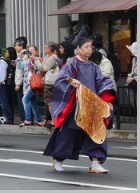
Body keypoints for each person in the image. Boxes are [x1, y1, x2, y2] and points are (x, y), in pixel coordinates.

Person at [43, 37, 117, 173]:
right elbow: (61, 80)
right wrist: (70, 83)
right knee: (69, 133)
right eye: (87, 46)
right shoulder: (72, 64)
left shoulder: (93, 66)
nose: (90, 49)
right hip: (76, 106)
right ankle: (58, 159)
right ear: (78, 49)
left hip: (92, 106)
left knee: (96, 133)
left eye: (91, 47)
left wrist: (107, 100)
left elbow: (103, 83)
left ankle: (96, 162)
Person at [32, 41, 60, 128]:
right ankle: (52, 120)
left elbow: (43, 69)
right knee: (49, 102)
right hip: (48, 81)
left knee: (50, 102)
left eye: (45, 47)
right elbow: (41, 68)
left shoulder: (53, 57)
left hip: (51, 82)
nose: (44, 49)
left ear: (50, 49)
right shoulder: (48, 57)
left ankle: (54, 120)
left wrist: (35, 61)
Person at [19, 45, 45, 127]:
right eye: (29, 50)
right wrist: (21, 56)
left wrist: (34, 60)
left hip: (34, 83)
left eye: (32, 50)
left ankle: (28, 119)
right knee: (32, 102)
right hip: (28, 83)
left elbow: (40, 69)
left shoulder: (37, 59)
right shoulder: (27, 60)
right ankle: (39, 120)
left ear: (36, 51)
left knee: (24, 99)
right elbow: (20, 67)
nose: (31, 52)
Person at [14, 36, 28, 123]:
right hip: (26, 82)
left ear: (21, 46)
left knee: (22, 101)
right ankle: (27, 118)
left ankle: (25, 118)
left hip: (23, 82)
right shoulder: (26, 55)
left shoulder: (23, 57)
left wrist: (18, 84)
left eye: (16, 45)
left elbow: (20, 71)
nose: (15, 47)